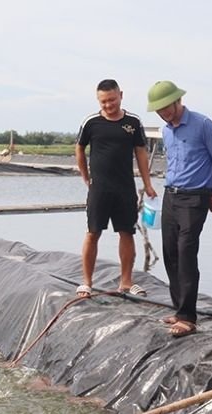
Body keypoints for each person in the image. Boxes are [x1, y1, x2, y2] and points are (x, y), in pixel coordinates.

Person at [146, 81, 212, 337]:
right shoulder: (166, 132)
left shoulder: (203, 125)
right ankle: (179, 309)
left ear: (177, 101)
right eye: (158, 110)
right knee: (170, 251)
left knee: (186, 251)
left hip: (196, 198)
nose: (163, 113)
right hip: (171, 195)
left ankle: (188, 318)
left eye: (165, 107)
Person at [75, 79, 157, 299]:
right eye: (103, 102)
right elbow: (80, 149)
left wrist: (147, 184)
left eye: (112, 100)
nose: (108, 105)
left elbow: (141, 152)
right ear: (98, 100)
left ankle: (126, 282)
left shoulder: (133, 122)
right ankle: (87, 282)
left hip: (125, 188)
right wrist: (86, 177)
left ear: (121, 95)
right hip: (99, 188)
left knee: (127, 232)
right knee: (93, 233)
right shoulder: (91, 122)